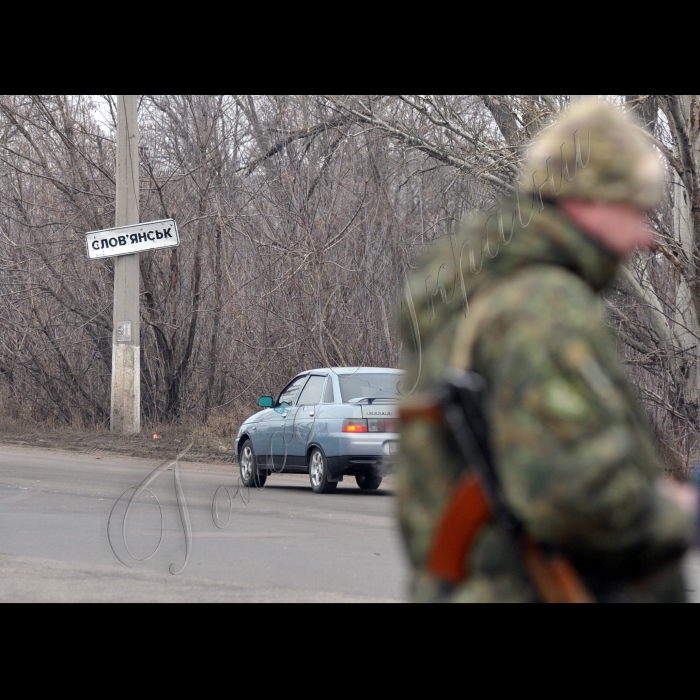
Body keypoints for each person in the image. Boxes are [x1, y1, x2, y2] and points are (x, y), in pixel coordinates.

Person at [396, 99, 696, 603]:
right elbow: (574, 496)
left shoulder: (474, 291)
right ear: (591, 198)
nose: (646, 237)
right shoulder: (542, 305)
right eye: (637, 210)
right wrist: (682, 513)